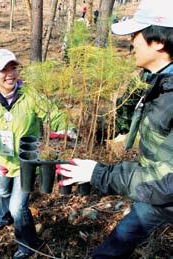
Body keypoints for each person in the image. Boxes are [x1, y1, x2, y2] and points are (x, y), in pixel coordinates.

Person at [56, 0, 173, 258]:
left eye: (136, 34)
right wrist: (83, 130)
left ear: (160, 41)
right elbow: (120, 118)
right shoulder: (153, 81)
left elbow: (168, 181)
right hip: (159, 195)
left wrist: (99, 174)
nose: (131, 41)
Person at [0, 49, 70, 259]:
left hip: (26, 163)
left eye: (13, 68)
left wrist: (66, 130)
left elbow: (54, 114)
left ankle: (28, 245)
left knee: (18, 207)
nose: (10, 74)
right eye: (3, 69)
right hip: (1, 161)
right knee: (4, 192)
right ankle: (2, 216)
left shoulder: (29, 95)